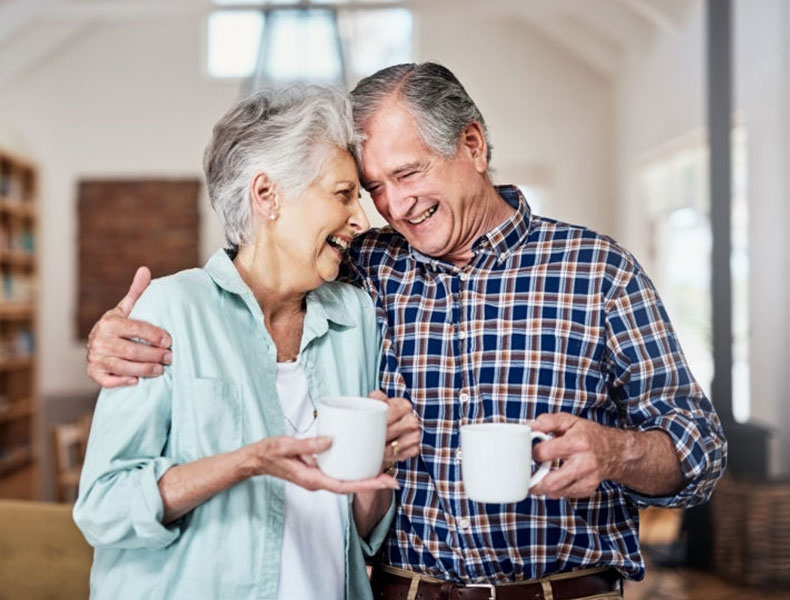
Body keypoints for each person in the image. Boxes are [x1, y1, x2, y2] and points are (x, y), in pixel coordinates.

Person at [86, 63, 727, 599]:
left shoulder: (597, 270)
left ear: (472, 145)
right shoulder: (364, 272)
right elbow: (261, 268)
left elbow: (701, 449)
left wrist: (616, 452)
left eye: (409, 173)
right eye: (369, 188)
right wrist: (116, 334)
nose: (390, 208)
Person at [73, 85, 421, 600]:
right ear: (267, 195)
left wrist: (382, 460)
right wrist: (247, 462)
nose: (361, 220)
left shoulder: (356, 318)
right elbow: (104, 507)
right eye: (343, 194)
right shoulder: (171, 311)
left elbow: (360, 528)